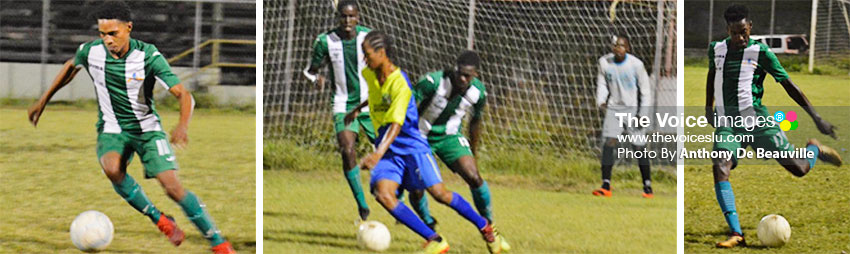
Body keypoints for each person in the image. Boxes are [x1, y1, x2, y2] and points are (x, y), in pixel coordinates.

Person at [26, 2, 236, 253]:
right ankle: (161, 220)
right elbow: (71, 67)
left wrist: (182, 126)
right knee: (112, 169)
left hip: (147, 130)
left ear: (128, 28)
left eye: (112, 33)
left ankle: (218, 242)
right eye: (102, 33)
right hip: (112, 128)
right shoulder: (91, 51)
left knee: (172, 187)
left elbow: (184, 95)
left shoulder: (148, 56)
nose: (107, 40)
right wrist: (43, 100)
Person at [344, 31, 505, 254]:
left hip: (412, 146)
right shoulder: (369, 74)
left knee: (440, 194)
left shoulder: (400, 83)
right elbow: (375, 95)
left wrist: (377, 154)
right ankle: (435, 239)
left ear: (382, 54)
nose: (364, 59)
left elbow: (397, 124)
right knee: (383, 194)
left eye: (368, 54)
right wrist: (356, 109)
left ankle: (485, 227)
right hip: (390, 148)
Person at [705, 4, 843, 248]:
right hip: (729, 123)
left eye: (744, 32)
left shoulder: (761, 52)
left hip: (758, 121)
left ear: (750, 28)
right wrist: (709, 108)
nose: (740, 38)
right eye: (735, 32)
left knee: (799, 169)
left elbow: (789, 86)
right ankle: (736, 233)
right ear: (727, 29)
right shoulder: (716, 49)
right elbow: (711, 75)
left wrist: (816, 117)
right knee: (720, 166)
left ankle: (814, 149)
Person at [406, 50, 511, 251]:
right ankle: (430, 228)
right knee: (417, 187)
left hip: (449, 137)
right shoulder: (432, 82)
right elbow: (407, 105)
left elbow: (475, 122)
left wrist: (473, 152)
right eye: (459, 73)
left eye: (467, 75)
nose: (462, 78)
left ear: (476, 75)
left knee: (474, 177)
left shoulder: (478, 92)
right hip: (420, 136)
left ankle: (490, 228)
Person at [302, 0, 376, 221]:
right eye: (343, 16)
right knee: (347, 149)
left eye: (351, 16)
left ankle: (397, 201)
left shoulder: (369, 37)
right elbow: (309, 71)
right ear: (338, 17)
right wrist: (316, 79)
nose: (347, 21)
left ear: (358, 18)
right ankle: (362, 206)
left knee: (389, 152)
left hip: (370, 104)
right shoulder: (325, 41)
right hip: (342, 105)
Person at [593, 34, 654, 198]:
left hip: (632, 110)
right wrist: (601, 101)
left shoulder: (636, 65)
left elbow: (646, 92)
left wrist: (642, 114)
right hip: (614, 109)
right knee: (609, 143)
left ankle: (647, 186)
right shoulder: (605, 62)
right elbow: (602, 84)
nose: (618, 49)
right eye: (615, 46)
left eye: (621, 46)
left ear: (627, 48)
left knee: (639, 147)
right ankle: (606, 185)